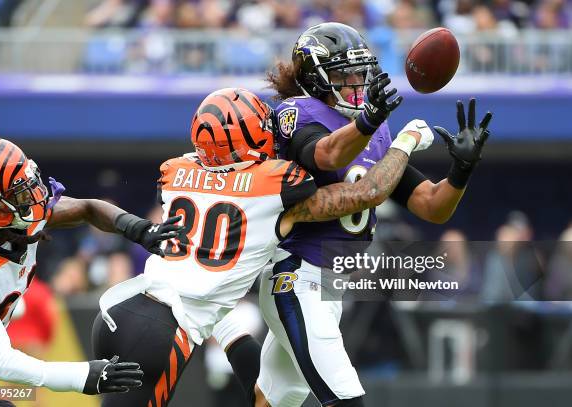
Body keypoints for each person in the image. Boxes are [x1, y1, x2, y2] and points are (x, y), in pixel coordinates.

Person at [92, 86, 434, 407]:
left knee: (269, 389)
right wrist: (405, 141)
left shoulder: (174, 170)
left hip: (128, 309)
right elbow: (365, 194)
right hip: (164, 333)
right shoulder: (276, 184)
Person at [258, 22, 492, 406]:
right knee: (348, 399)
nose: (354, 82)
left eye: (358, 72)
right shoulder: (296, 112)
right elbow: (326, 154)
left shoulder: (376, 130)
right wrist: (366, 122)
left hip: (332, 284)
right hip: (297, 276)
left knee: (273, 400)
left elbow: (431, 206)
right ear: (315, 79)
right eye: (341, 74)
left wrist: (460, 171)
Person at [0, 138, 182, 404]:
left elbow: (88, 208)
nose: (35, 197)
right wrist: (83, 375)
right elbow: (1, 362)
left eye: (29, 184)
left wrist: (139, 228)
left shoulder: (10, 221)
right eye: (19, 195)